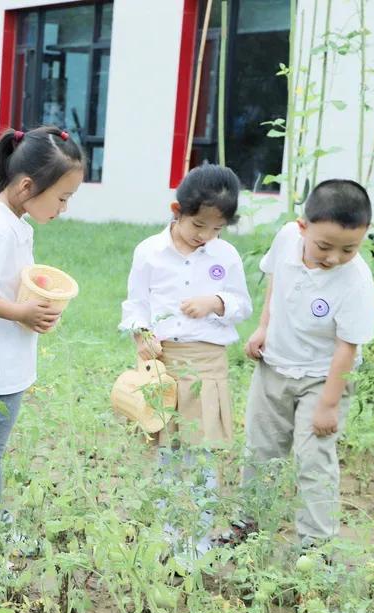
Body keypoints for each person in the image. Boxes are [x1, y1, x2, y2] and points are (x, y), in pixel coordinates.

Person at [226, 179, 374, 551]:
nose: (335, 257)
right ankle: (250, 527)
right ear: (303, 227)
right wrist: (263, 327)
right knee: (260, 451)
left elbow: (347, 348)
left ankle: (316, 547)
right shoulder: (285, 239)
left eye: (349, 249)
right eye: (325, 246)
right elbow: (277, 280)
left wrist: (328, 405)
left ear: (364, 236)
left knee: (314, 460)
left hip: (323, 379)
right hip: (274, 367)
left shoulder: (356, 281)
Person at [0, 126, 84, 526]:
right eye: (62, 198)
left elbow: (3, 281)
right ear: (28, 186)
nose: (63, 208)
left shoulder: (12, 220)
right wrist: (21, 313)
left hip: (3, 358)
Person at [119, 164, 252, 564]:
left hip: (208, 364)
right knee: (166, 452)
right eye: (199, 225)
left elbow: (242, 304)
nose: (205, 236)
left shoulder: (224, 255)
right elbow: (135, 304)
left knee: (202, 455)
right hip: (164, 363)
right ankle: (165, 536)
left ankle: (196, 544)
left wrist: (216, 303)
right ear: (177, 209)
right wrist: (140, 333)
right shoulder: (149, 252)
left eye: (216, 229)